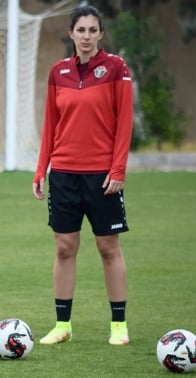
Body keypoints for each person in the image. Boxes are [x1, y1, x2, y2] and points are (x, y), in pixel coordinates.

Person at [31, 5, 133, 346]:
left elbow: (124, 122)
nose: (86, 36)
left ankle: (118, 326)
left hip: (102, 175)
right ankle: (63, 325)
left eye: (92, 30)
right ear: (71, 34)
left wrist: (118, 169)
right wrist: (41, 168)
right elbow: (51, 124)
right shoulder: (57, 72)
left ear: (100, 34)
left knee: (108, 247)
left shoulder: (116, 68)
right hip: (63, 173)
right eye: (80, 30)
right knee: (64, 248)